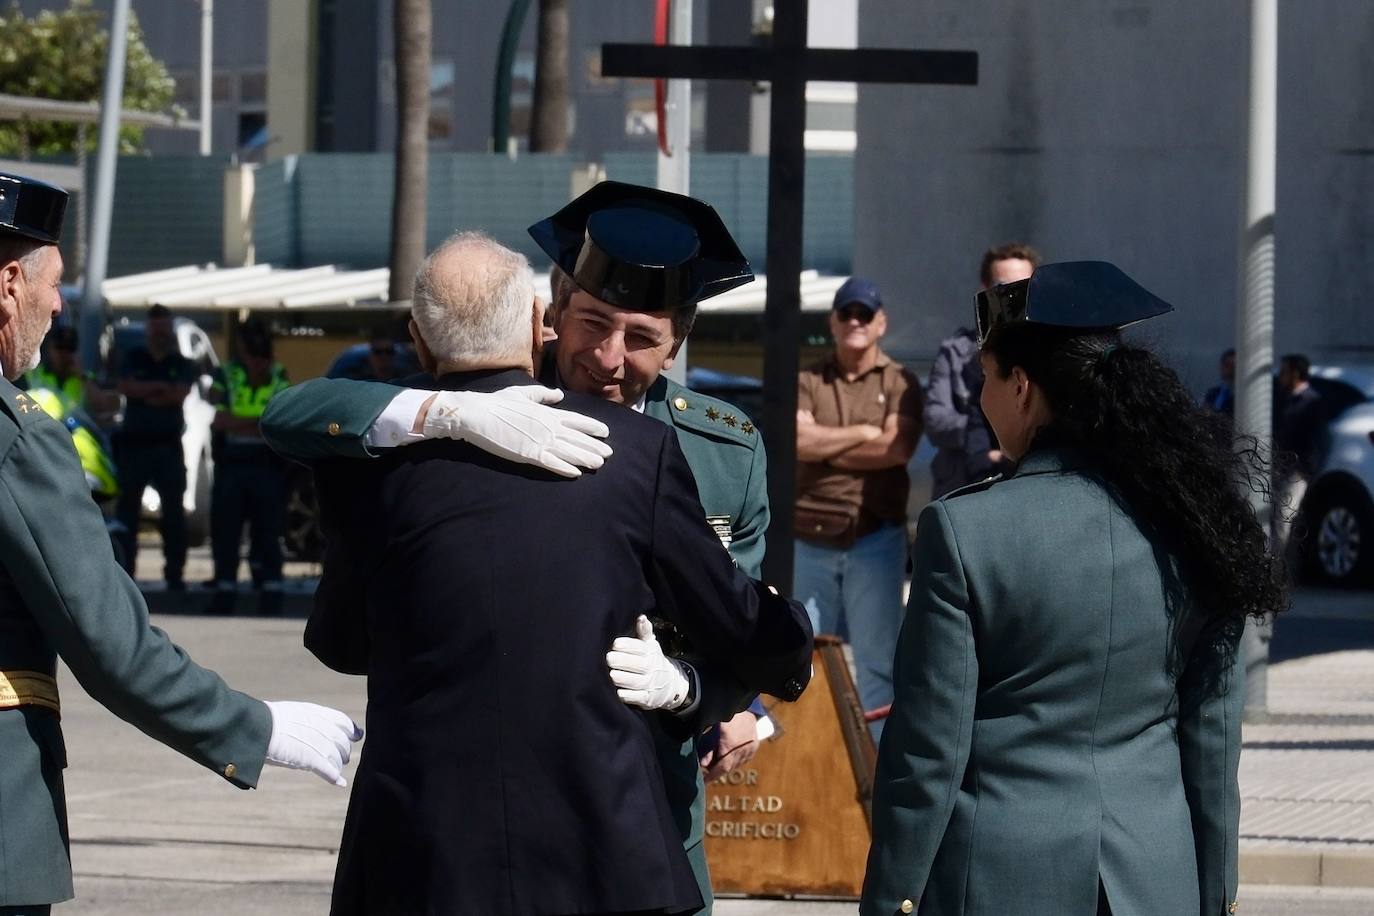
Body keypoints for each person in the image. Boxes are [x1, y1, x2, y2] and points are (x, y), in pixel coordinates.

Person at [262, 181, 779, 913]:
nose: (607, 357)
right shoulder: (482, 394)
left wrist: (694, 689)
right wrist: (449, 413)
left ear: (679, 341)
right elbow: (297, 414)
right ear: (552, 310)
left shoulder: (721, 449)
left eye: (641, 340)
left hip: (643, 807)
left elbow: (742, 634)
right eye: (592, 323)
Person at [861, 261, 1287, 916]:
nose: (979, 399)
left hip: (1000, 877)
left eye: (986, 380)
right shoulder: (1198, 521)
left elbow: (927, 752)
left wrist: (895, 898)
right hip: (1154, 876)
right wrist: (1215, 893)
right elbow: (1212, 738)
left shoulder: (963, 529)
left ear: (1023, 388)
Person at [0, 171, 362, 915]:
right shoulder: (17, 438)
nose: (58, 304)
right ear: (9, 283)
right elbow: (111, 644)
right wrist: (256, 727)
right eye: (54, 282)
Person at [794, 276, 923, 737]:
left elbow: (897, 449)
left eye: (864, 314)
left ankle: (875, 776)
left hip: (875, 538)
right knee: (799, 659)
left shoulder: (901, 380)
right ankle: (807, 766)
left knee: (877, 664)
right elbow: (796, 440)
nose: (854, 321)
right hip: (808, 538)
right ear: (831, 321)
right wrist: (865, 435)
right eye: (846, 313)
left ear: (880, 323)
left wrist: (823, 447)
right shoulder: (808, 379)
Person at [924, 243, 1039, 498]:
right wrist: (983, 436)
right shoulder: (956, 351)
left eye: (1022, 287)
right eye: (1002, 287)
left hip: (1027, 486)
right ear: (984, 291)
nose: (1011, 296)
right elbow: (935, 419)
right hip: (964, 485)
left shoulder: (1046, 351)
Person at [207, 318, 291, 614]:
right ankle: (225, 591)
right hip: (233, 463)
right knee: (226, 531)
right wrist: (258, 425)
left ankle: (271, 593)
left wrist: (243, 424)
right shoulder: (227, 374)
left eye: (258, 355)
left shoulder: (280, 376)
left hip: (267, 465)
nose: (253, 361)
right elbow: (219, 420)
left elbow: (281, 423)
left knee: (268, 531)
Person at [114, 303, 196, 590]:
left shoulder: (181, 362)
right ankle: (126, 573)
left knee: (174, 514)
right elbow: (127, 388)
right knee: (128, 513)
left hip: (167, 447)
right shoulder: (133, 357)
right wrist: (159, 390)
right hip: (135, 447)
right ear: (149, 328)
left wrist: (146, 391)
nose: (160, 332)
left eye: (164, 327)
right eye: (156, 326)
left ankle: (175, 573)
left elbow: (178, 395)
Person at [1273, 352, 1327, 560]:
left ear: (1295, 373)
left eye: (1284, 372)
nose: (1281, 377)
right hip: (1278, 468)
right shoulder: (1282, 398)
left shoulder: (1312, 402)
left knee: (1283, 519)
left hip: (1296, 471)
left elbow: (1317, 441)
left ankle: (1276, 566)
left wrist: (1304, 470)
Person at [23, 325, 119, 419]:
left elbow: (102, 405)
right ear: (50, 349)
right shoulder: (34, 374)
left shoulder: (86, 379)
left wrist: (81, 376)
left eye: (70, 348)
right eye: (60, 347)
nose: (64, 354)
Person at [1203, 347, 1237, 416]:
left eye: (1233, 366)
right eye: (1227, 365)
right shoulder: (1212, 393)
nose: (1230, 370)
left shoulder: (1241, 397)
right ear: (1221, 367)